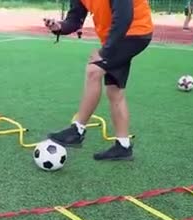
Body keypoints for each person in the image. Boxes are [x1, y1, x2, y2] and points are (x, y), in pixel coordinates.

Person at [44, 0, 153, 161]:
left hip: (134, 33)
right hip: (117, 37)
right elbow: (75, 19)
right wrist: (59, 27)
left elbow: (124, 17)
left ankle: (77, 130)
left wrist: (106, 52)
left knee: (93, 71)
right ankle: (123, 146)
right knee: (114, 90)